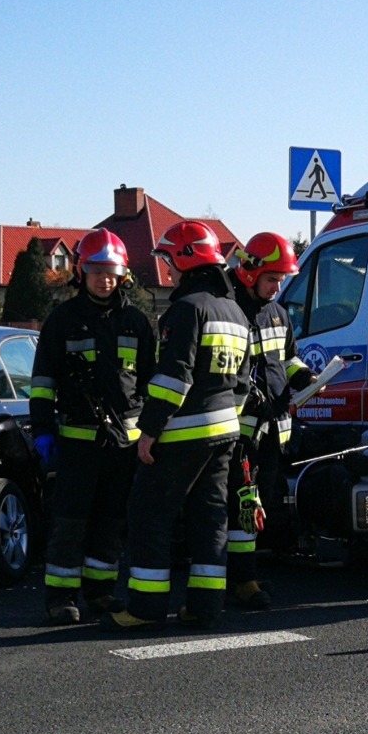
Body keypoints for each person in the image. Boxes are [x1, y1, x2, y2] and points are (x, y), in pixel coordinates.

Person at [118, 220, 248, 631]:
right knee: (210, 520)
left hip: (183, 434)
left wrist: (150, 431)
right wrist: (227, 420)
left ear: (185, 259)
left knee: (149, 515)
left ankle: (145, 608)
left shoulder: (187, 309)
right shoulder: (235, 312)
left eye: (168, 261)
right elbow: (243, 383)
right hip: (225, 432)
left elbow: (175, 377)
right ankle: (205, 608)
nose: (167, 271)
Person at [29, 229, 155, 626]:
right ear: (80, 272)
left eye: (112, 272)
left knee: (111, 522)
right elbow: (43, 383)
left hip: (124, 446)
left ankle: (100, 591)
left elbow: (152, 385)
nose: (105, 279)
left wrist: (153, 434)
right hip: (76, 444)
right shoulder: (61, 322)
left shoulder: (137, 323)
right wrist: (43, 431)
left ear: (123, 276)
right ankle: (61, 597)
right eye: (97, 271)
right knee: (69, 521)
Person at [227, 232, 315, 609]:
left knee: (262, 503)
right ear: (249, 272)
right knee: (243, 505)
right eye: (272, 279)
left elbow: (288, 358)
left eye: (281, 280)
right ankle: (243, 581)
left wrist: (308, 378)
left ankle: (249, 573)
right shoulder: (230, 312)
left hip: (274, 431)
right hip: (242, 432)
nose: (277, 287)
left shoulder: (278, 314)